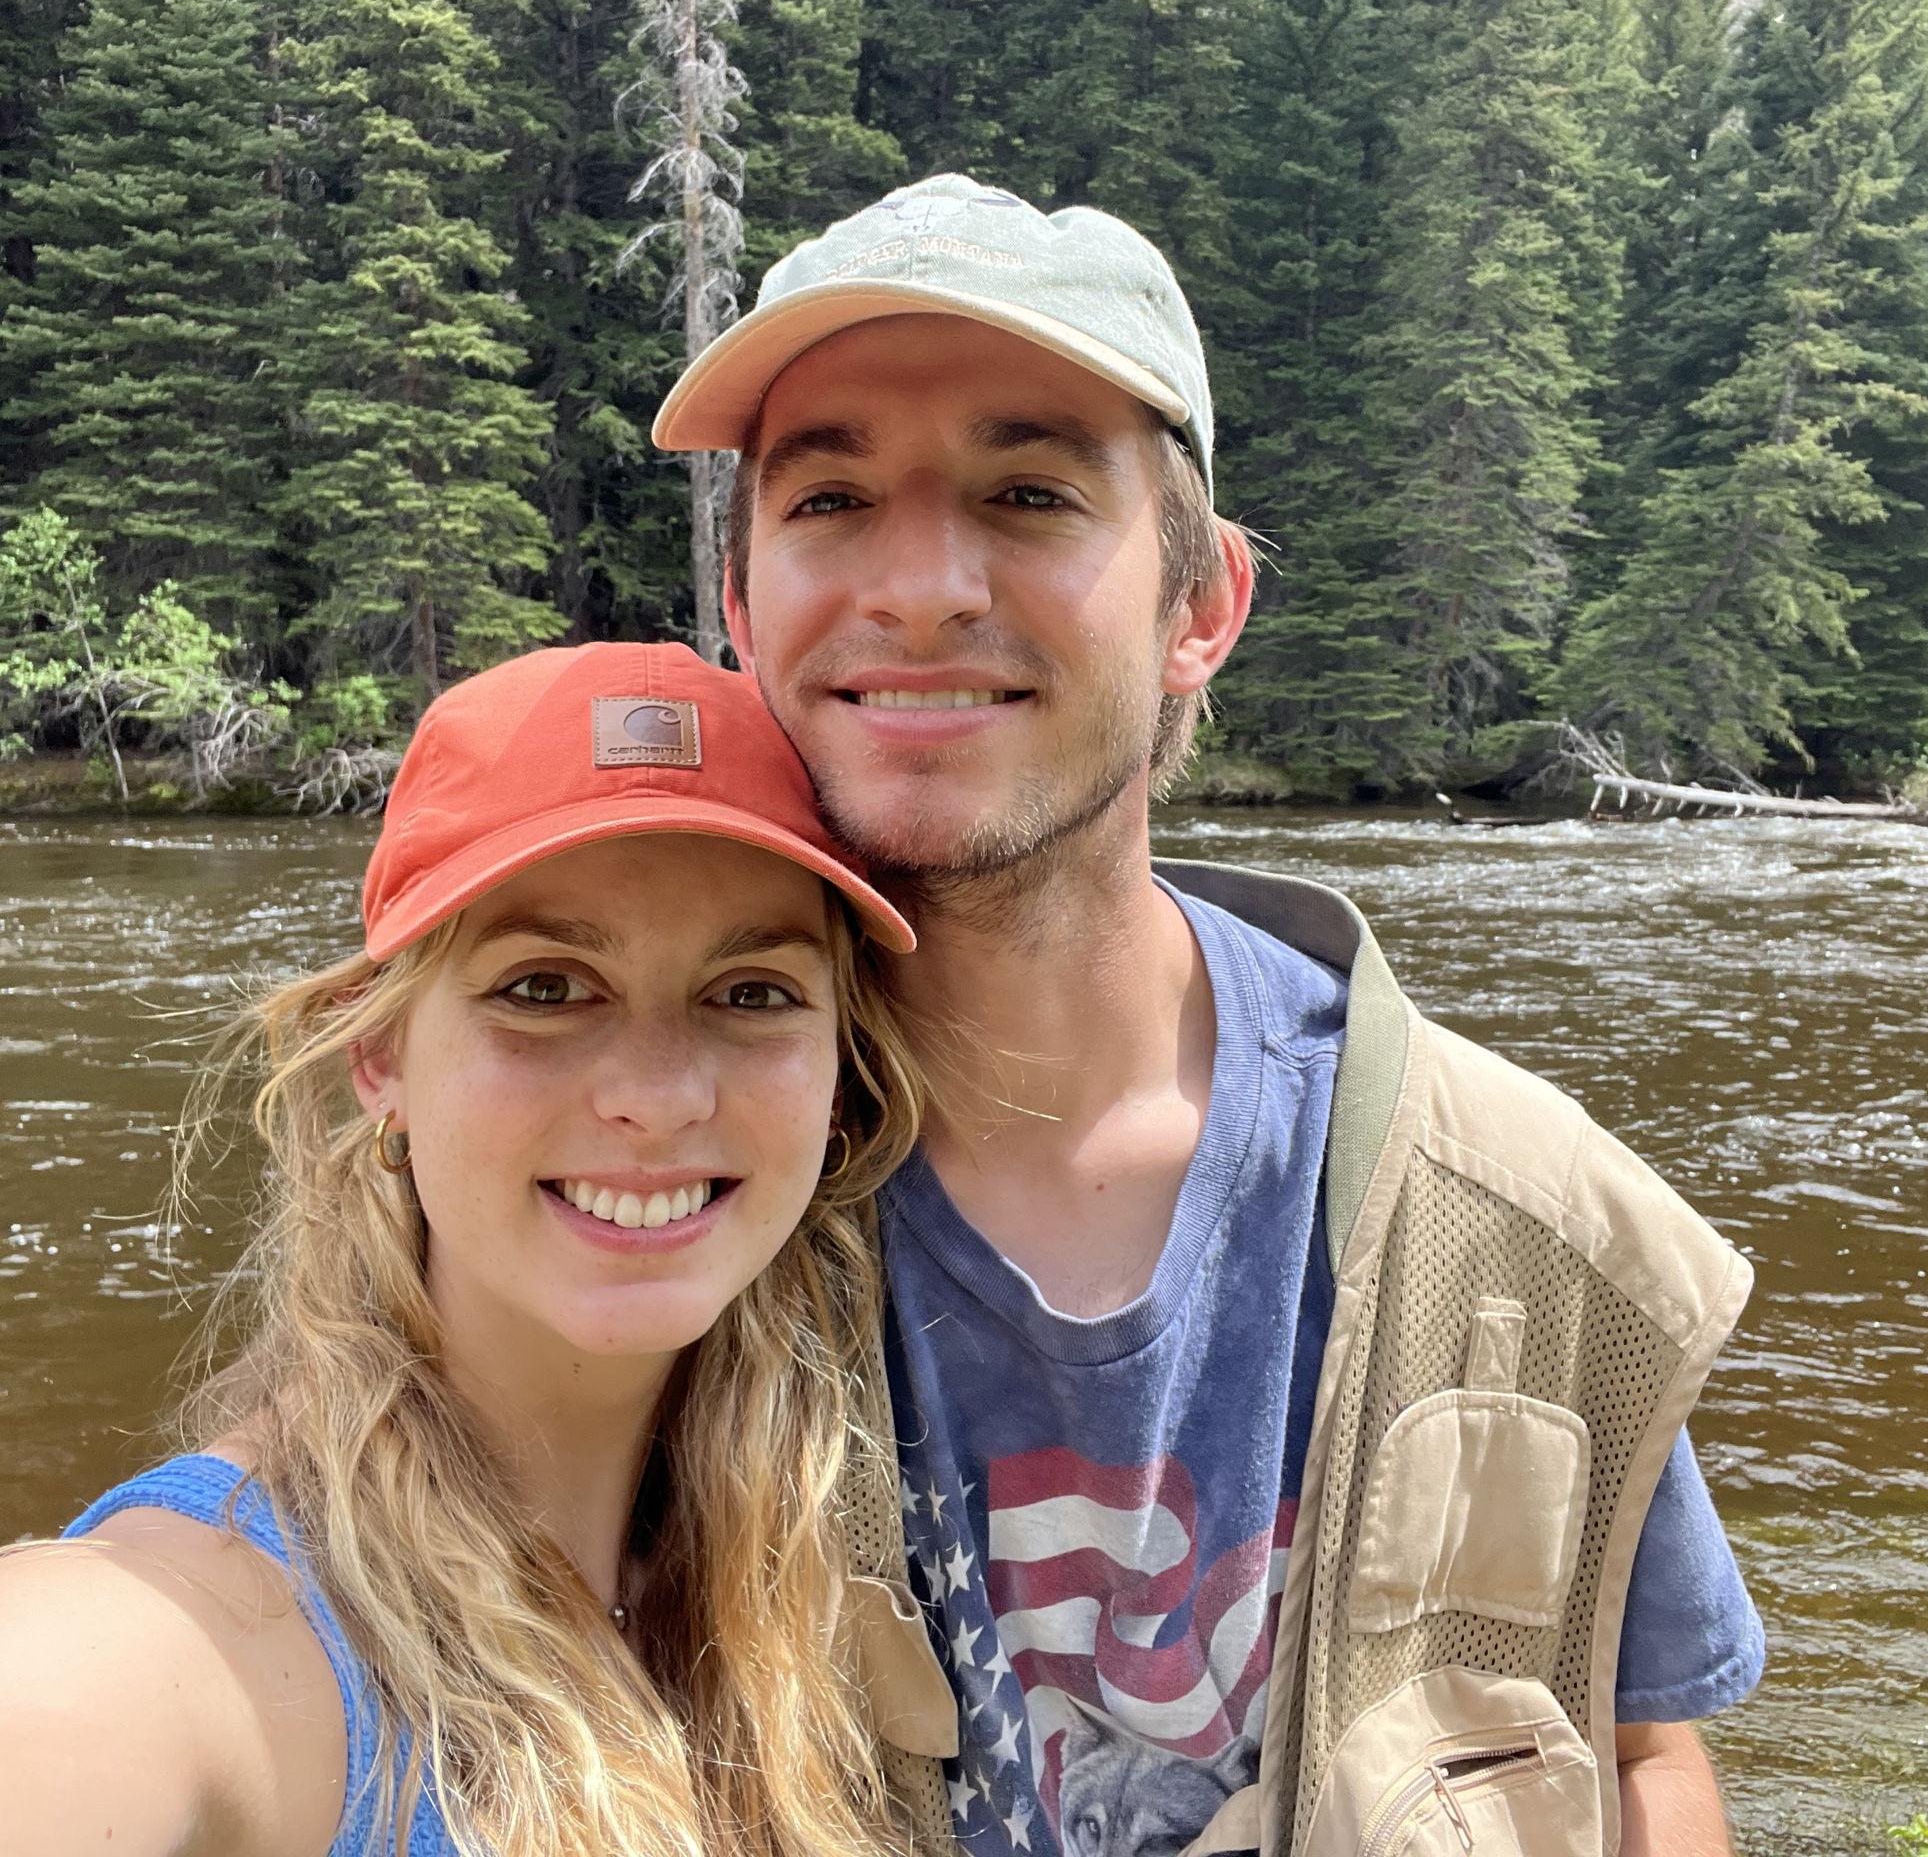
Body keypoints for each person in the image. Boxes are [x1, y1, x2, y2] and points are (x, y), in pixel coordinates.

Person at [651, 173, 1768, 1857]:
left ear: (1201, 608)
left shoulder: (1518, 1224)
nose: (922, 582)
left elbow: (1632, 1755)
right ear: (742, 605)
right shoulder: (635, 1180)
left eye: (1027, 491)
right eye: (831, 499)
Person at [0, 642, 931, 1857]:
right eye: (545, 987)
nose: (656, 1096)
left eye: (751, 992)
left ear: (839, 1070)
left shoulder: (833, 1541)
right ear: (379, 1055)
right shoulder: (195, 1627)